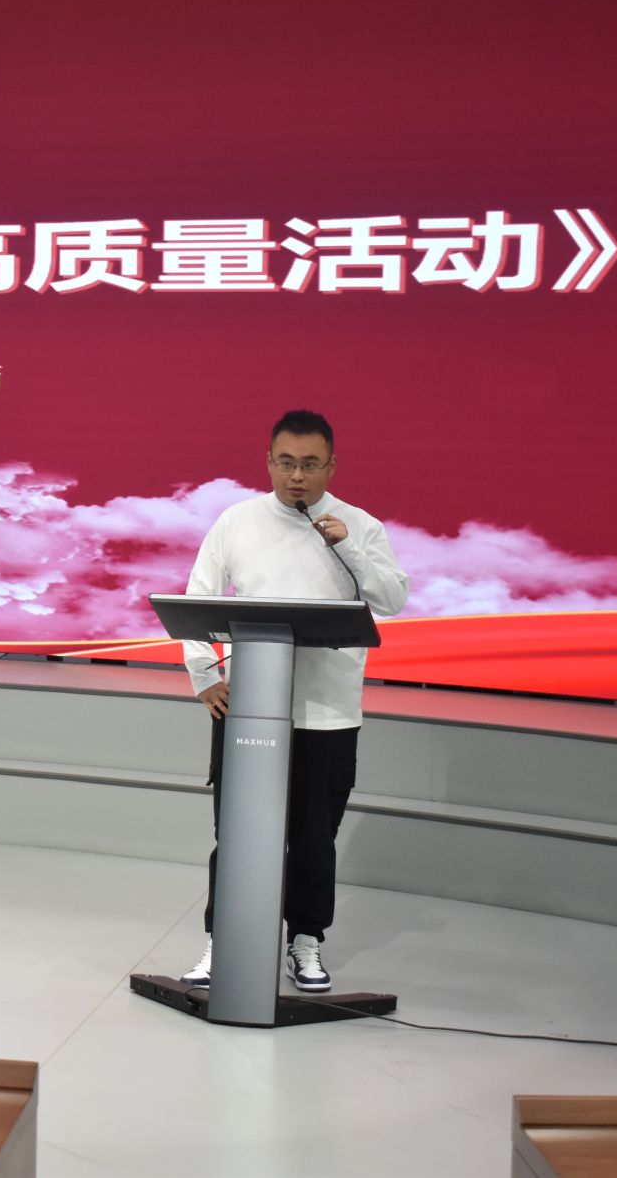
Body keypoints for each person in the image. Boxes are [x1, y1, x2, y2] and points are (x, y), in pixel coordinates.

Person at [178, 410, 409, 994]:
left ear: (331, 466)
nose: (297, 476)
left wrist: (349, 547)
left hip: (327, 713)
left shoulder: (359, 526)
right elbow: (198, 597)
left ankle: (305, 940)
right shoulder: (237, 521)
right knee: (237, 832)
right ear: (268, 463)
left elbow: (393, 599)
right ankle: (225, 938)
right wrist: (204, 674)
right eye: (286, 463)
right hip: (250, 707)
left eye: (310, 464)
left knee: (313, 838)